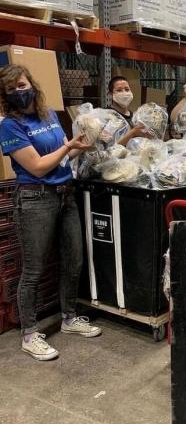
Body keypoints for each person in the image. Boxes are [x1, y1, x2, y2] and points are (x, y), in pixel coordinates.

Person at [0, 64, 102, 361]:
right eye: (11, 89)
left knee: (73, 259)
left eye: (21, 85)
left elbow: (62, 157)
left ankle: (69, 318)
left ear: (31, 83)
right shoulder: (9, 125)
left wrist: (80, 146)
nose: (19, 92)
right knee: (33, 270)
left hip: (65, 194)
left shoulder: (48, 115)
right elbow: (39, 166)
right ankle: (29, 334)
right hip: (35, 198)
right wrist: (68, 145)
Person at [107, 76, 151, 146]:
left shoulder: (135, 117)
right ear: (111, 94)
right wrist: (133, 132)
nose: (124, 93)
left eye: (127, 89)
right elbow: (109, 147)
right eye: (119, 90)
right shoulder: (107, 116)